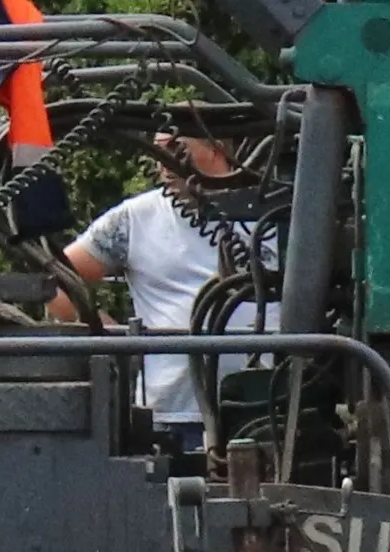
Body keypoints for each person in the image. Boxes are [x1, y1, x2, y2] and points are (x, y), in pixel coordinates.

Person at [52, 134, 262, 456]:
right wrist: (113, 340)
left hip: (268, 411)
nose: (162, 161)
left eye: (175, 148)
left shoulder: (274, 213)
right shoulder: (134, 219)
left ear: (217, 147)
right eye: (157, 150)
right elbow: (57, 287)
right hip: (171, 420)